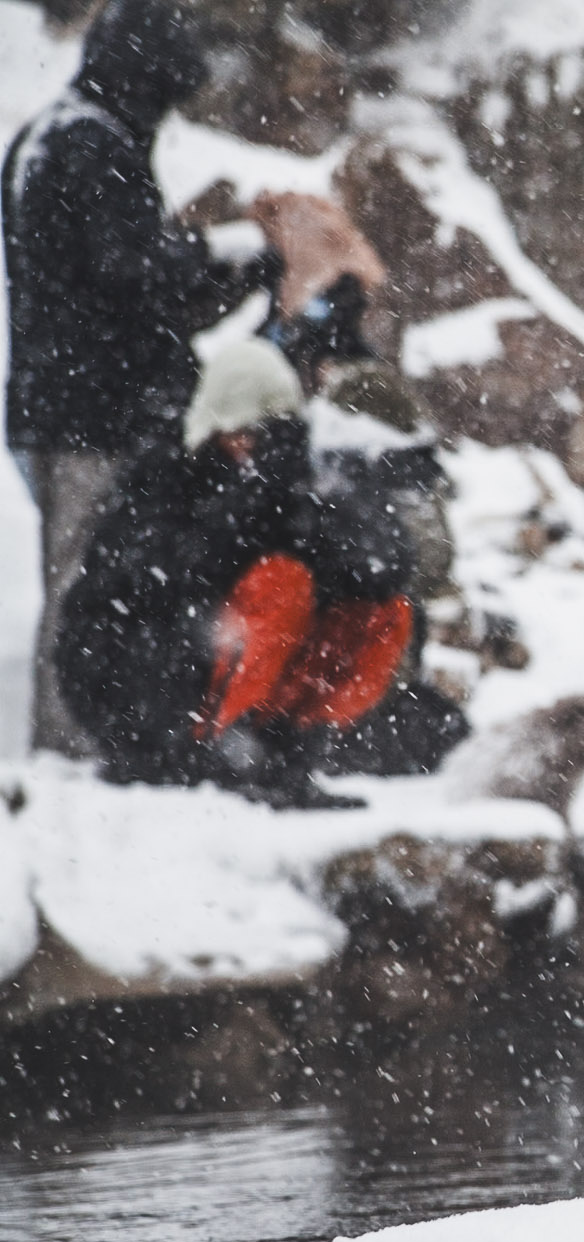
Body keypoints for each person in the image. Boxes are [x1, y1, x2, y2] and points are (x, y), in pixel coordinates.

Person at [4, 0, 279, 755]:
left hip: (62, 400)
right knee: (85, 583)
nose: (166, 113)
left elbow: (114, 283)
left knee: (93, 576)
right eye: (164, 90)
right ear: (139, 78)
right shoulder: (93, 145)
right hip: (89, 410)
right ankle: (69, 748)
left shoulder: (55, 135)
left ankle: (89, 737)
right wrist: (235, 251)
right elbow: (133, 271)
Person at [57, 340, 417, 808]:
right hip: (134, 684)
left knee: (379, 613)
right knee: (280, 583)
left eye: (267, 435)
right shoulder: (163, 475)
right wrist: (255, 502)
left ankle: (281, 757)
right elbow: (171, 578)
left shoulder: (295, 480)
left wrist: (341, 509)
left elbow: (385, 568)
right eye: (241, 433)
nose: (250, 449)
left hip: (212, 670)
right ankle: (210, 752)